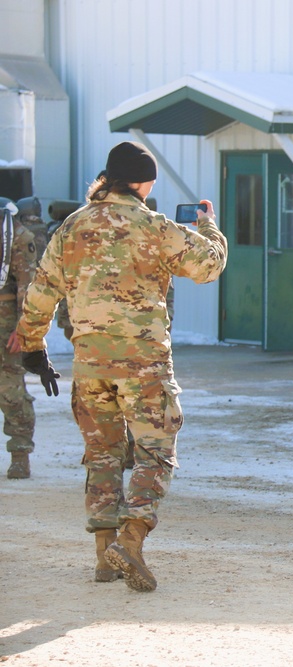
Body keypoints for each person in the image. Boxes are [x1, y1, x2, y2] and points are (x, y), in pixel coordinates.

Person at [15, 140, 228, 590]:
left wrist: (33, 345)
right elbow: (209, 266)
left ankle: (103, 555)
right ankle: (131, 540)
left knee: (102, 456)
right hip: (143, 364)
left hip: (91, 365)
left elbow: (41, 290)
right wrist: (210, 227)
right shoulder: (153, 225)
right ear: (144, 182)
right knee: (156, 451)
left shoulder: (72, 226)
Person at [0, 199, 39, 479]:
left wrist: (23, 328)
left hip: (6, 323)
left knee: (10, 389)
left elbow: (28, 285)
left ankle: (20, 453)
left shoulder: (14, 234)